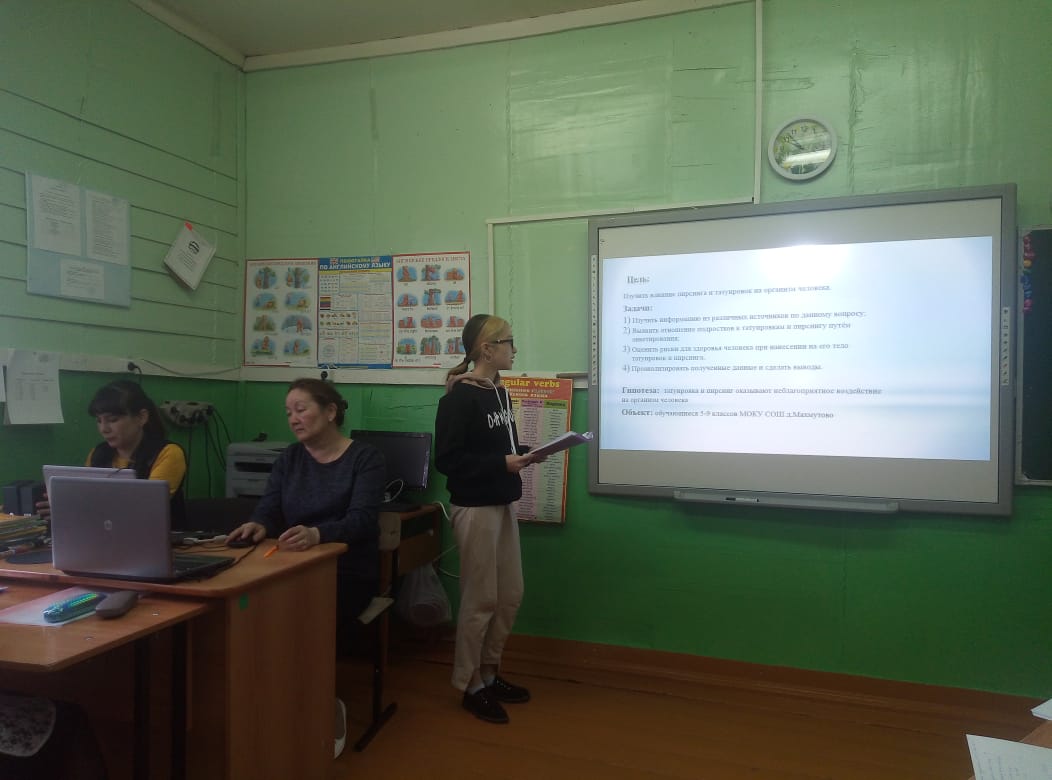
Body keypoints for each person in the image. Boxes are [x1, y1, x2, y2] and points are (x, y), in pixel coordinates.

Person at [226, 377, 386, 758]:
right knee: (252, 608)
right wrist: (259, 523)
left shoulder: (365, 458)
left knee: (303, 616)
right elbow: (270, 506)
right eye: (288, 413)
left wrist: (318, 534)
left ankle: (324, 702)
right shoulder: (290, 458)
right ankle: (269, 702)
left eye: (301, 409)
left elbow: (363, 520)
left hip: (348, 569)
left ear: (330, 412)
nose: (293, 419)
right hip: (293, 564)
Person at [434, 313, 539, 725]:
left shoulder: (500, 393)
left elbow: (498, 450)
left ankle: (491, 672)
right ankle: (471, 683)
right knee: (480, 601)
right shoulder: (458, 399)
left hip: (503, 501)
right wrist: (501, 463)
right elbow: (448, 460)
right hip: (475, 508)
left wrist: (524, 455)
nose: (515, 349)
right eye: (509, 342)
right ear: (487, 349)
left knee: (509, 594)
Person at [36, 380, 187, 525]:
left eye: (113, 420)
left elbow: (143, 509)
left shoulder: (168, 453)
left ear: (142, 417)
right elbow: (90, 500)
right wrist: (65, 507)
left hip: (157, 538)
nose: (104, 429)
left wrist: (76, 509)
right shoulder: (98, 454)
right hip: (101, 536)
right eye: (99, 421)